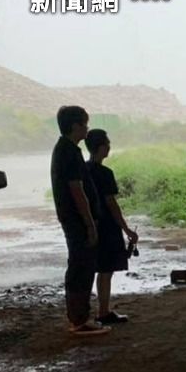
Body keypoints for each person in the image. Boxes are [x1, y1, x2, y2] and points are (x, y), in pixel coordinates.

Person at [50, 106, 109, 336]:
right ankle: (80, 320)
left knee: (79, 265)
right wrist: (89, 223)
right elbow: (77, 191)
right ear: (75, 126)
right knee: (81, 267)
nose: (87, 128)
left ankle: (78, 317)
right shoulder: (69, 152)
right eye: (84, 124)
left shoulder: (65, 149)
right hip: (77, 220)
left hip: (73, 219)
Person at [84, 129, 139, 324]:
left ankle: (95, 311)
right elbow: (111, 204)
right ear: (99, 147)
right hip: (106, 226)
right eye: (107, 144)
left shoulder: (82, 170)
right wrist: (126, 229)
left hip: (87, 223)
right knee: (106, 271)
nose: (109, 147)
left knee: (94, 269)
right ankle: (103, 312)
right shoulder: (105, 173)